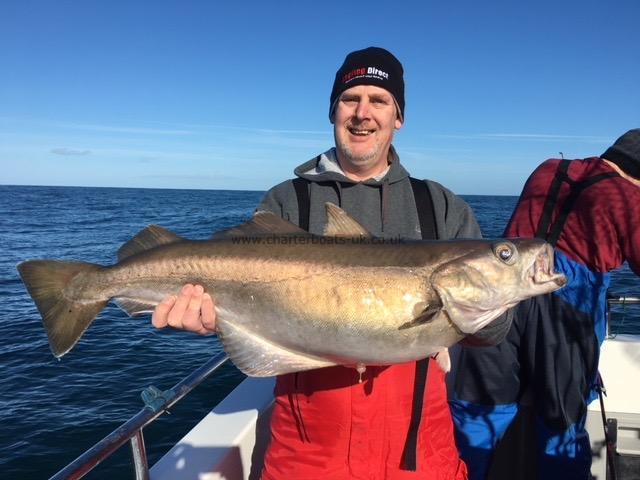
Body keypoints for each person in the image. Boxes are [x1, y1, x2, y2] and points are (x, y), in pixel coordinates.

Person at [153, 47, 503, 479]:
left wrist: (494, 300)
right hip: (306, 453)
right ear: (333, 110)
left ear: (399, 117)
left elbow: (491, 335)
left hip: (419, 453)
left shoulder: (441, 206)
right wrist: (211, 318)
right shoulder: (287, 201)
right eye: (350, 99)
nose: (362, 113)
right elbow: (247, 304)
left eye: (379, 100)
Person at [449, 129, 640, 480]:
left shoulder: (549, 167)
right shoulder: (629, 197)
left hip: (502, 294)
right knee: (560, 426)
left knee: (476, 412)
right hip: (566, 312)